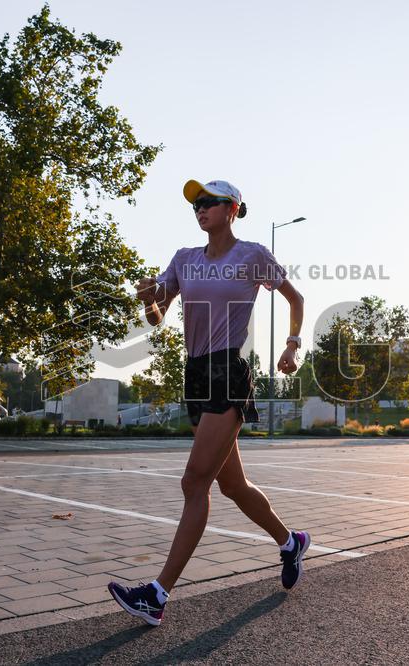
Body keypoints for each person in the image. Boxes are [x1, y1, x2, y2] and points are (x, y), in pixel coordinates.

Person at [107, 179, 308, 626]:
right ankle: (290, 542)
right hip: (194, 374)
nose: (200, 210)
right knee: (232, 486)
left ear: (232, 209)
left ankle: (157, 595)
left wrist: (292, 345)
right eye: (196, 205)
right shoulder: (184, 260)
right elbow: (158, 314)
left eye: (209, 203)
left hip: (227, 372)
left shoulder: (252, 255)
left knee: (194, 482)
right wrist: (148, 301)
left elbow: (295, 298)